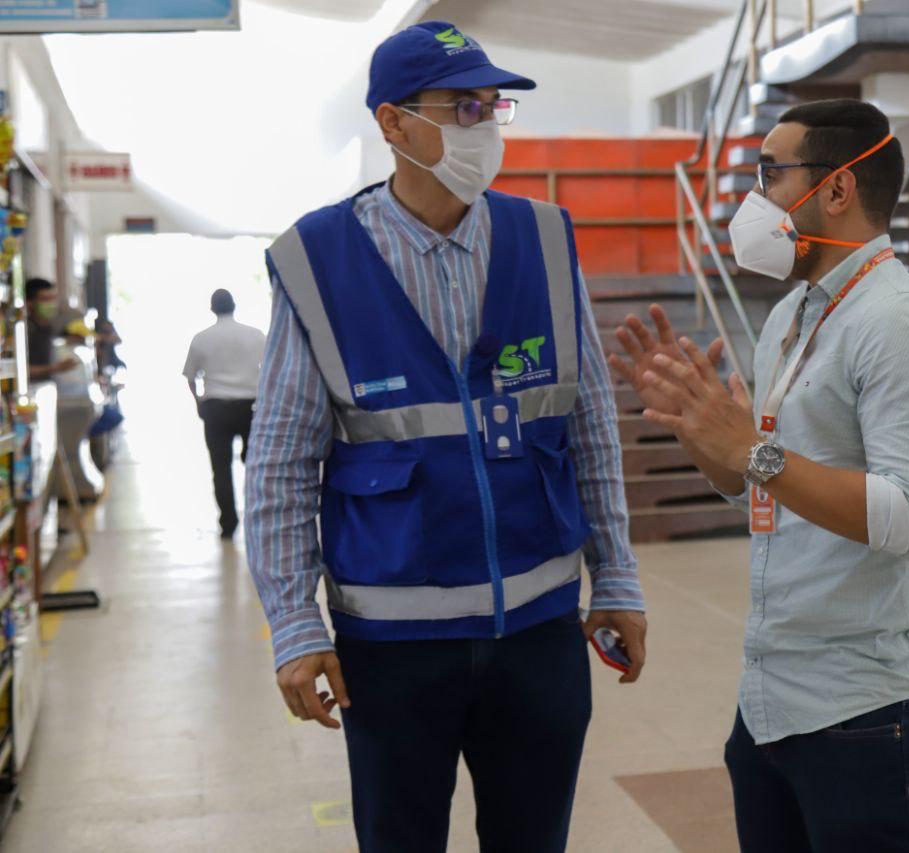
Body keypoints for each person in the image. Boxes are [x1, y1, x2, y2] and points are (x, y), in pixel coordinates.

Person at [245, 21, 645, 853]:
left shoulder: (543, 238)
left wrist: (618, 577)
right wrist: (295, 624)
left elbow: (590, 428)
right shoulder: (319, 261)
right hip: (391, 649)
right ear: (392, 124)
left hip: (538, 633)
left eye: (492, 106)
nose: (485, 127)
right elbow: (281, 463)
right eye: (462, 107)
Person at [612, 98, 909, 851]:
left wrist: (750, 450)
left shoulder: (899, 325)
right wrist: (700, 428)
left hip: (872, 712)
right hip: (775, 700)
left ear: (836, 189)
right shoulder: (794, 315)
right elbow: (752, 479)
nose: (755, 196)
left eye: (770, 173)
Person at [182, 289, 266, 539]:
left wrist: (199, 402)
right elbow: (271, 369)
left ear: (212, 308)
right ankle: (257, 518)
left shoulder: (201, 338)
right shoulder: (255, 335)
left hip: (216, 407)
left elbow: (190, 377)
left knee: (220, 467)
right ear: (234, 305)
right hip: (251, 407)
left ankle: (228, 523)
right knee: (256, 465)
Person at [24, 278, 79, 383]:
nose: (51, 303)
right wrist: (55, 368)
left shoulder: (47, 327)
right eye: (45, 299)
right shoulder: (25, 330)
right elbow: (20, 369)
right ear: (29, 303)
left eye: (53, 298)